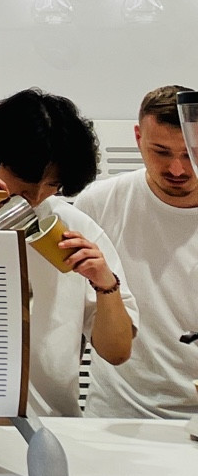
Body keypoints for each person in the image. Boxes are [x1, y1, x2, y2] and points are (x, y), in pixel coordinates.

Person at [0, 89, 134, 417]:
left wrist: (105, 282)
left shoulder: (72, 227)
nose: (36, 197)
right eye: (26, 182)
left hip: (49, 424)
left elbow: (117, 352)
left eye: (52, 186)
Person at [75, 85, 198, 420]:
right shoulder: (97, 204)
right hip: (117, 415)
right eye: (161, 152)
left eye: (190, 153)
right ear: (138, 137)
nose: (177, 169)